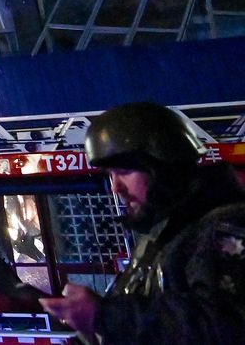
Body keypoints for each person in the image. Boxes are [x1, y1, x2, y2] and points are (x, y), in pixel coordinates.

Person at [42, 101, 245, 343]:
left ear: (164, 167)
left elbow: (224, 327)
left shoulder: (224, 228)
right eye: (111, 176)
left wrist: (105, 316)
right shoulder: (165, 236)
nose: (116, 188)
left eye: (125, 172)